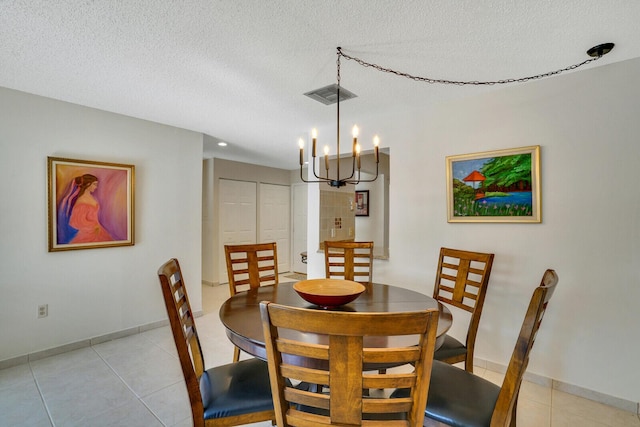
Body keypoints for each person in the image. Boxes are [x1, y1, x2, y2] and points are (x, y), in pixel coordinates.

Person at [65, 174, 113, 243]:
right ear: (88, 184)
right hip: (88, 234)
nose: (96, 187)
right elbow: (75, 222)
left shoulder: (90, 197)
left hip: (98, 230)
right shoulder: (81, 201)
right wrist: (92, 227)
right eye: (94, 184)